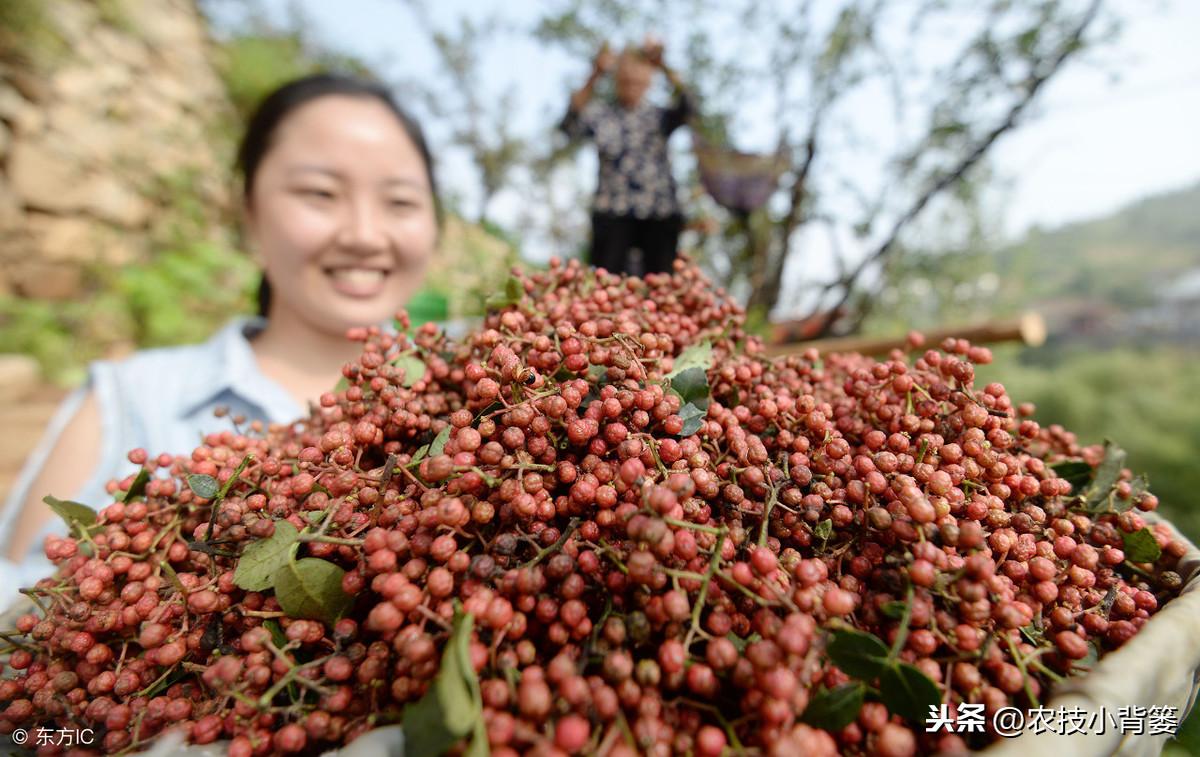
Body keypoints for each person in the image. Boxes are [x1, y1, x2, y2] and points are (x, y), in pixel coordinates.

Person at [0, 73, 441, 608]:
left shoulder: (480, 386)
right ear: (249, 215)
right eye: (321, 193)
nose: (365, 235)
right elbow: (18, 619)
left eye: (400, 202)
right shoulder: (130, 397)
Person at [560, 37, 693, 277]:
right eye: (626, 76)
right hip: (612, 213)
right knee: (605, 284)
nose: (632, 82)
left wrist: (663, 65)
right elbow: (569, 124)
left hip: (659, 213)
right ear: (617, 78)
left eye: (638, 77)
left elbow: (689, 105)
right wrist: (595, 74)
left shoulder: (659, 116)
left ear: (648, 80)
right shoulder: (601, 114)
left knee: (662, 287)